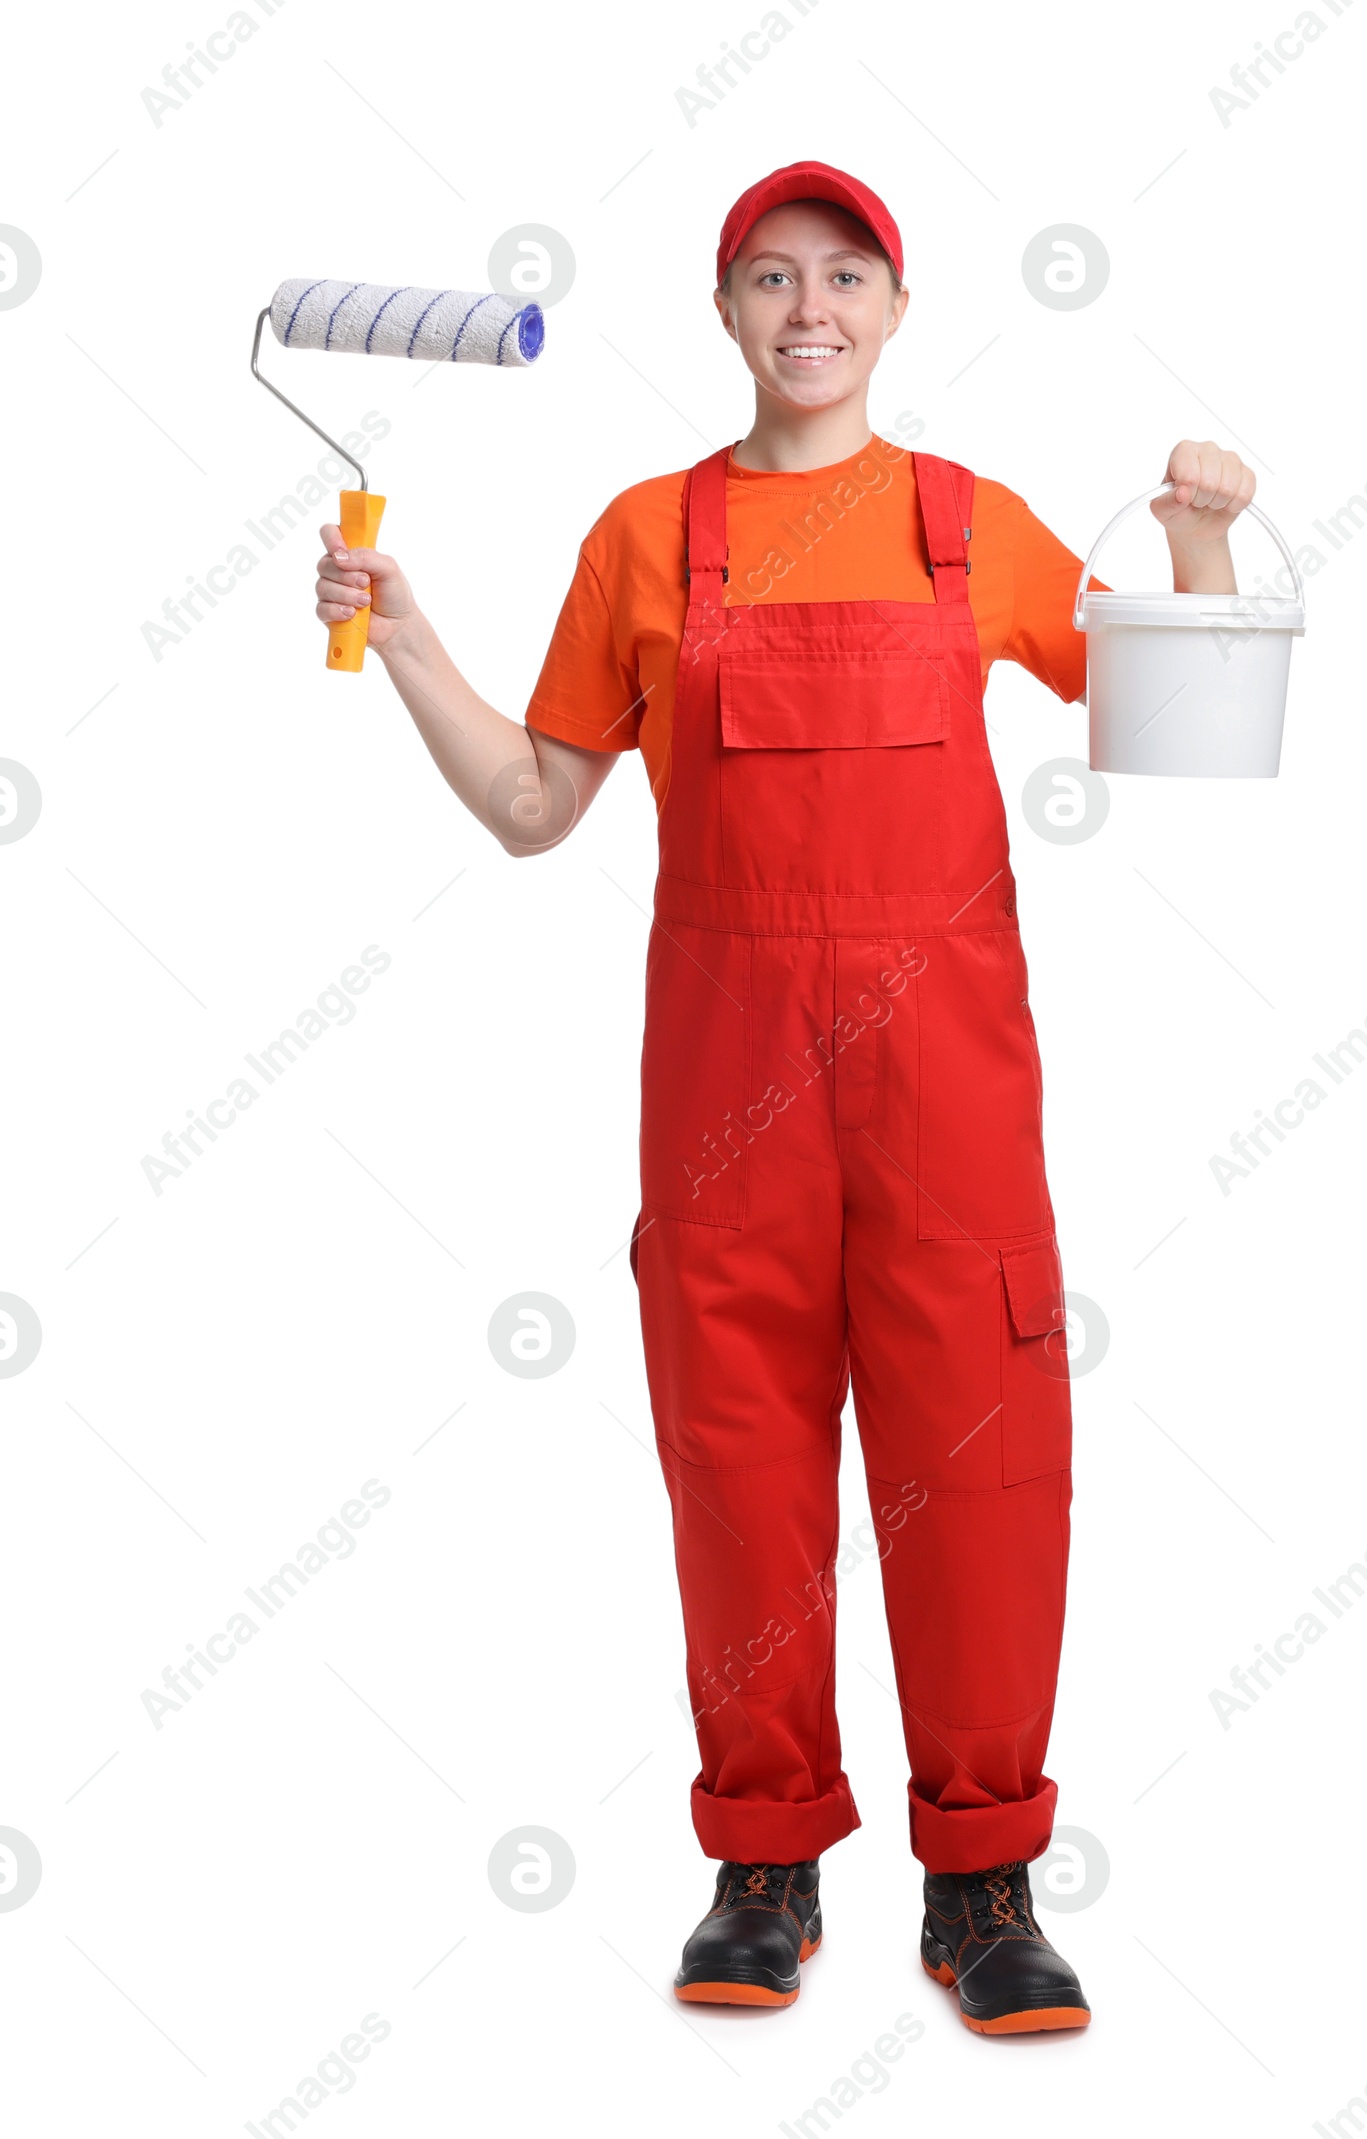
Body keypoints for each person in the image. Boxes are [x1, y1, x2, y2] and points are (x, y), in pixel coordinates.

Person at [312, 160, 1255, 2037]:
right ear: (726, 313)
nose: (806, 307)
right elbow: (531, 810)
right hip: (730, 1105)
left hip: (949, 1111)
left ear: (897, 312)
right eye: (767, 277)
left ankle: (982, 1879)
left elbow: (1178, 734)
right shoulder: (648, 539)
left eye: (844, 276)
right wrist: (405, 633)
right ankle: (765, 1863)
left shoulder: (966, 523)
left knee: (981, 1472)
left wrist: (1204, 541)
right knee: (739, 1477)